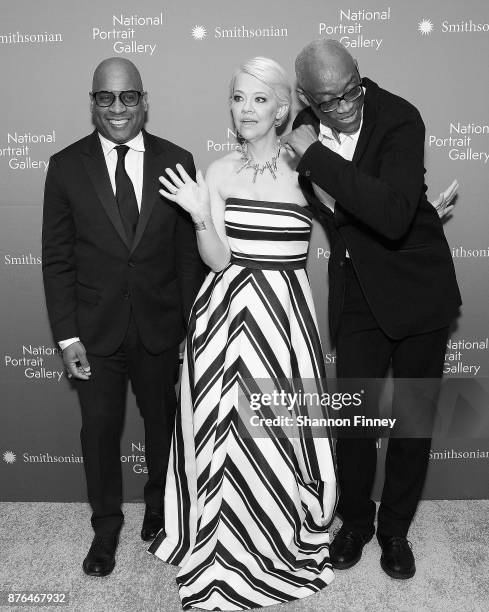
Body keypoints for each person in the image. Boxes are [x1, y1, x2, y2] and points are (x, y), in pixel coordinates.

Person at [148, 57, 337, 610]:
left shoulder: (311, 171)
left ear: (282, 109)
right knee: (219, 431)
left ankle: (273, 536)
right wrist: (201, 214)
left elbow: (364, 224)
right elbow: (218, 257)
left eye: (259, 99)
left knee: (274, 432)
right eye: (237, 98)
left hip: (282, 317)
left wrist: (419, 219)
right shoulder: (219, 170)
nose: (246, 109)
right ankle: (218, 537)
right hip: (223, 316)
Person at [282, 39, 461, 580]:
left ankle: (396, 532)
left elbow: (391, 213)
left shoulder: (400, 117)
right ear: (305, 97)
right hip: (358, 290)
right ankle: (355, 522)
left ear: (361, 75)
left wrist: (314, 155)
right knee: (354, 422)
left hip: (417, 289)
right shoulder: (301, 127)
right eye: (328, 100)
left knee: (412, 420)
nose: (345, 106)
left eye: (351, 91)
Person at [42, 57, 204, 577]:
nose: (117, 108)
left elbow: (187, 258)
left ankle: (159, 515)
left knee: (164, 430)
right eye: (106, 98)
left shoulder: (177, 160)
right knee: (99, 432)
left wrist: (190, 329)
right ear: (93, 103)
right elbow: (58, 258)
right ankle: (105, 528)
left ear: (144, 100)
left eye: (128, 97)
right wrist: (67, 337)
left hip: (161, 327)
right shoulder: (66, 166)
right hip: (94, 330)